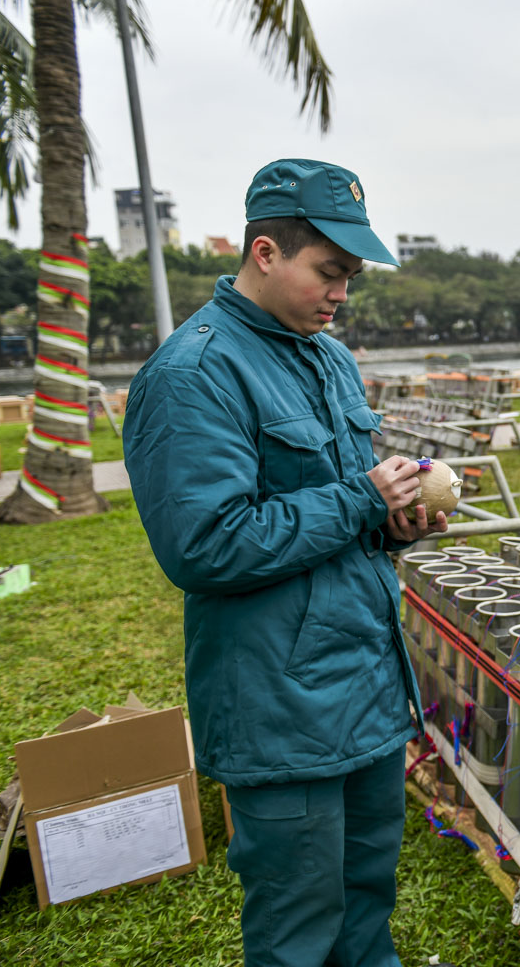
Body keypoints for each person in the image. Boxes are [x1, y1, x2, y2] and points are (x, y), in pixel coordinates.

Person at [124, 159, 448, 967]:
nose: (341, 294)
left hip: (366, 685)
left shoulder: (328, 358)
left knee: (367, 904)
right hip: (280, 705)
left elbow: (347, 509)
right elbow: (204, 545)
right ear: (265, 252)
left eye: (351, 278)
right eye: (328, 272)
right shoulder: (195, 373)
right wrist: (361, 502)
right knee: (298, 926)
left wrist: (398, 520)